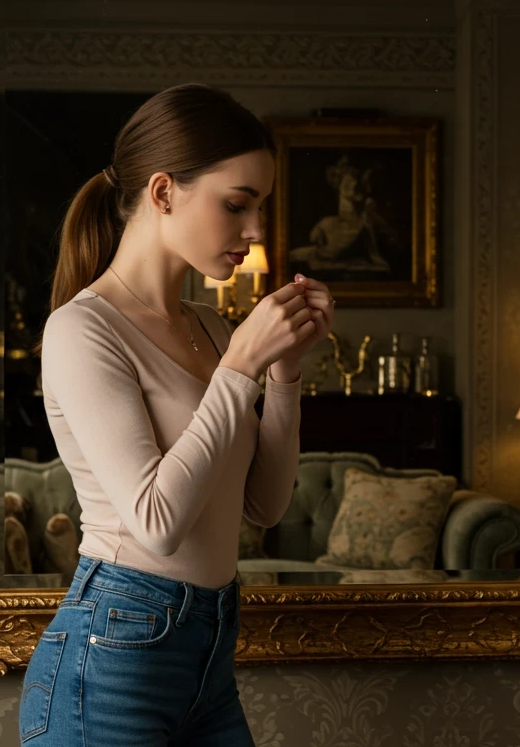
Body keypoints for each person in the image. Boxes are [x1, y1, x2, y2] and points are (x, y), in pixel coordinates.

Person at [17, 83, 334, 745]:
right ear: (164, 193)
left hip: (210, 654)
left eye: (260, 208)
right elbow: (156, 523)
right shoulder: (84, 330)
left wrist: (283, 372)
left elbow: (265, 506)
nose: (254, 231)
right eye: (237, 205)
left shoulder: (215, 329)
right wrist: (240, 370)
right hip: (110, 659)